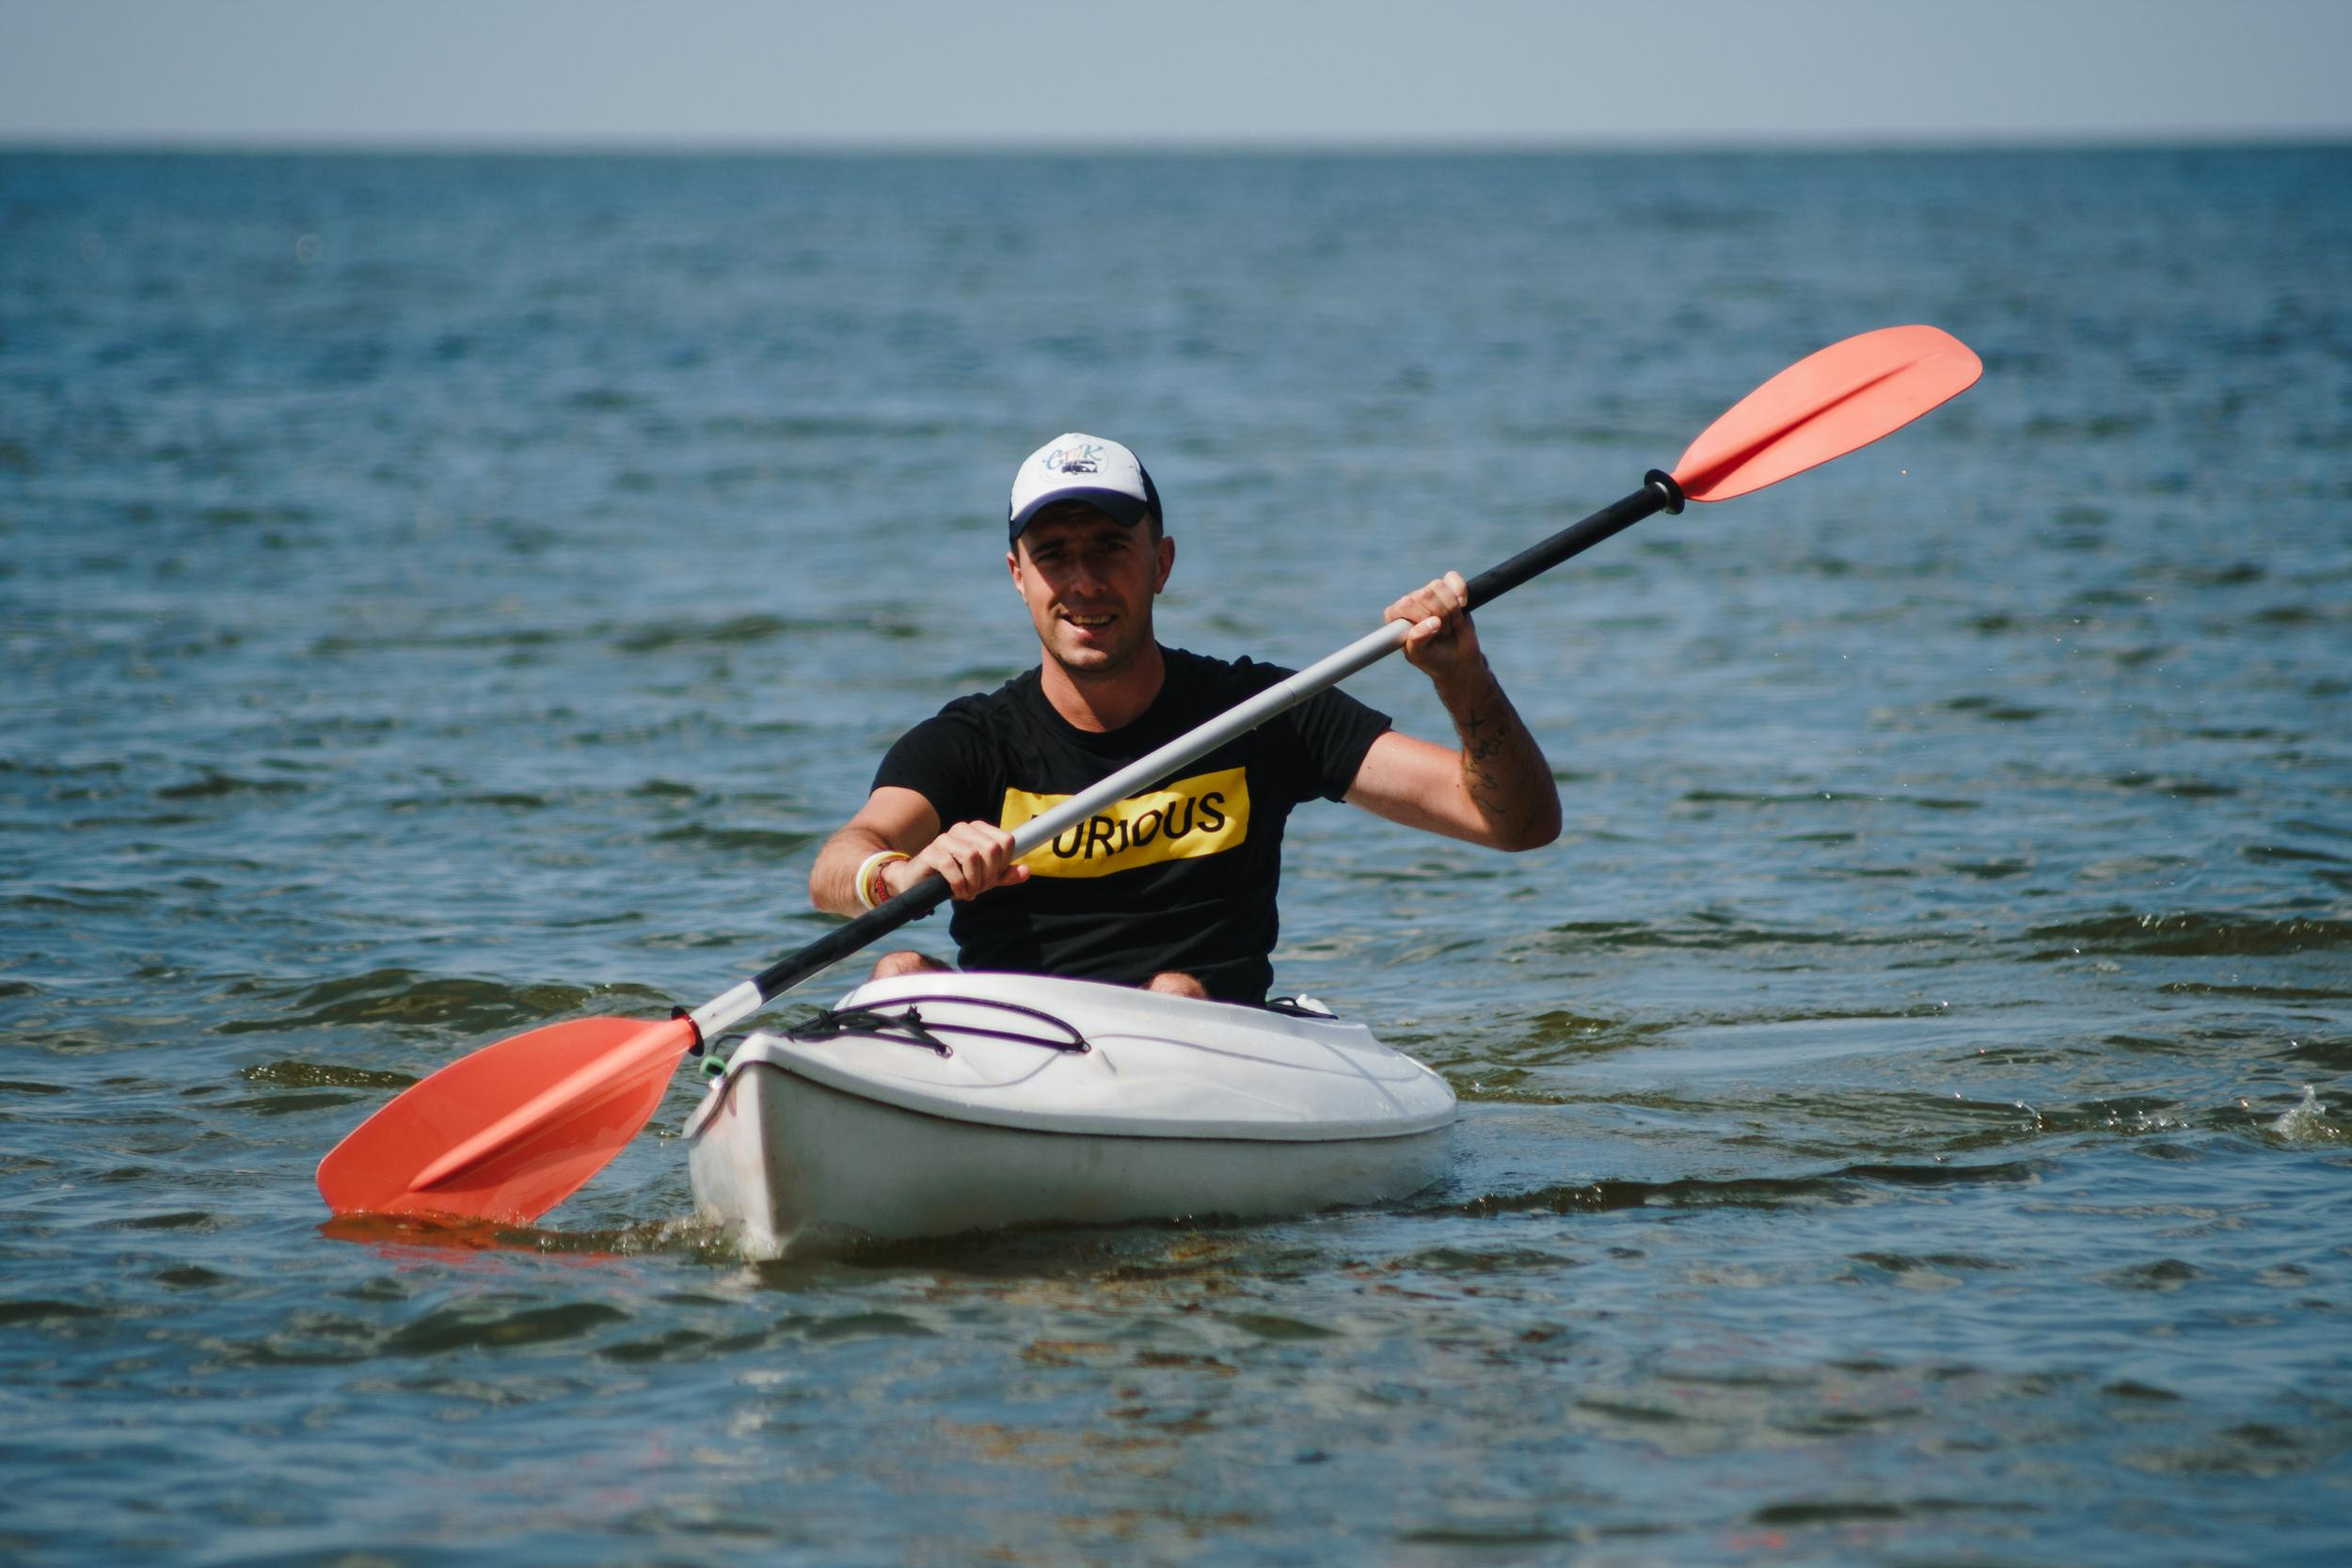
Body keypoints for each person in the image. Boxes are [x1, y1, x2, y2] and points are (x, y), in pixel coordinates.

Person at [808, 433, 1561, 1005]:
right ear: (1018, 576)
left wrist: (1463, 679)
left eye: (1110, 549)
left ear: (1162, 563)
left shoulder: (1263, 712)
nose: (1085, 582)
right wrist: (899, 872)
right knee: (897, 971)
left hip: (1202, 1050)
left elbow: (1515, 823)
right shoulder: (972, 742)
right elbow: (839, 861)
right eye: (1054, 555)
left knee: (1175, 992)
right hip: (1017, 1053)